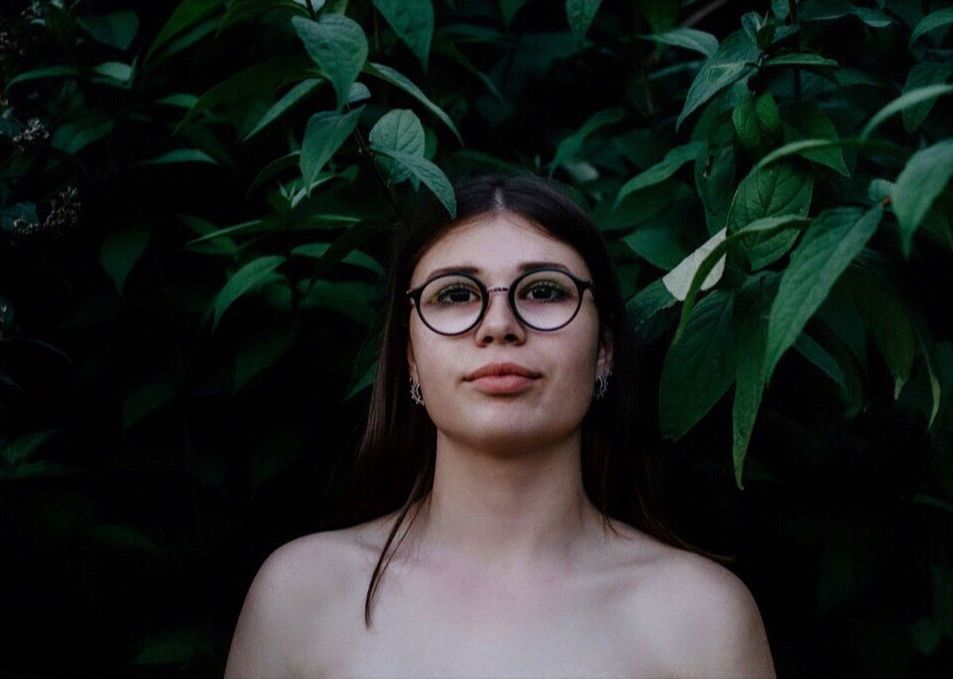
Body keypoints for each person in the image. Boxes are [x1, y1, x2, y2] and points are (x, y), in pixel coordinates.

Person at [225, 174, 776, 678]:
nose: (499, 326)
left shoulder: (701, 620)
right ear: (410, 358)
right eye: (455, 294)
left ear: (604, 348)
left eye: (543, 290)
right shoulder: (302, 596)